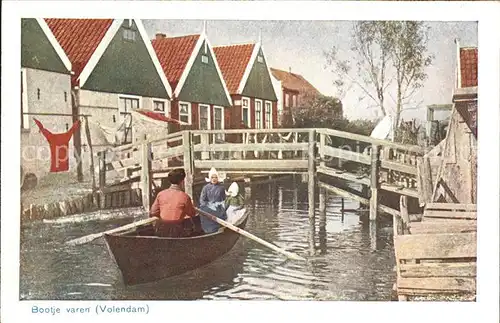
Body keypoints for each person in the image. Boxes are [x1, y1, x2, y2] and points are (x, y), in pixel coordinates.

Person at [149, 168, 201, 237]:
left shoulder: (160, 194)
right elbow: (192, 213)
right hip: (177, 230)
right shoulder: (185, 197)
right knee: (193, 224)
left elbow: (153, 212)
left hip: (161, 229)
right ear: (182, 181)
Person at [199, 167, 227, 233]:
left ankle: (216, 228)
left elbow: (224, 200)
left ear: (218, 178)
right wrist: (208, 205)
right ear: (210, 178)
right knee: (203, 210)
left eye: (215, 177)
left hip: (218, 208)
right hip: (208, 207)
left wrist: (221, 206)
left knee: (220, 214)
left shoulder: (221, 188)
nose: (214, 179)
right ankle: (207, 230)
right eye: (212, 177)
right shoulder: (205, 188)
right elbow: (202, 200)